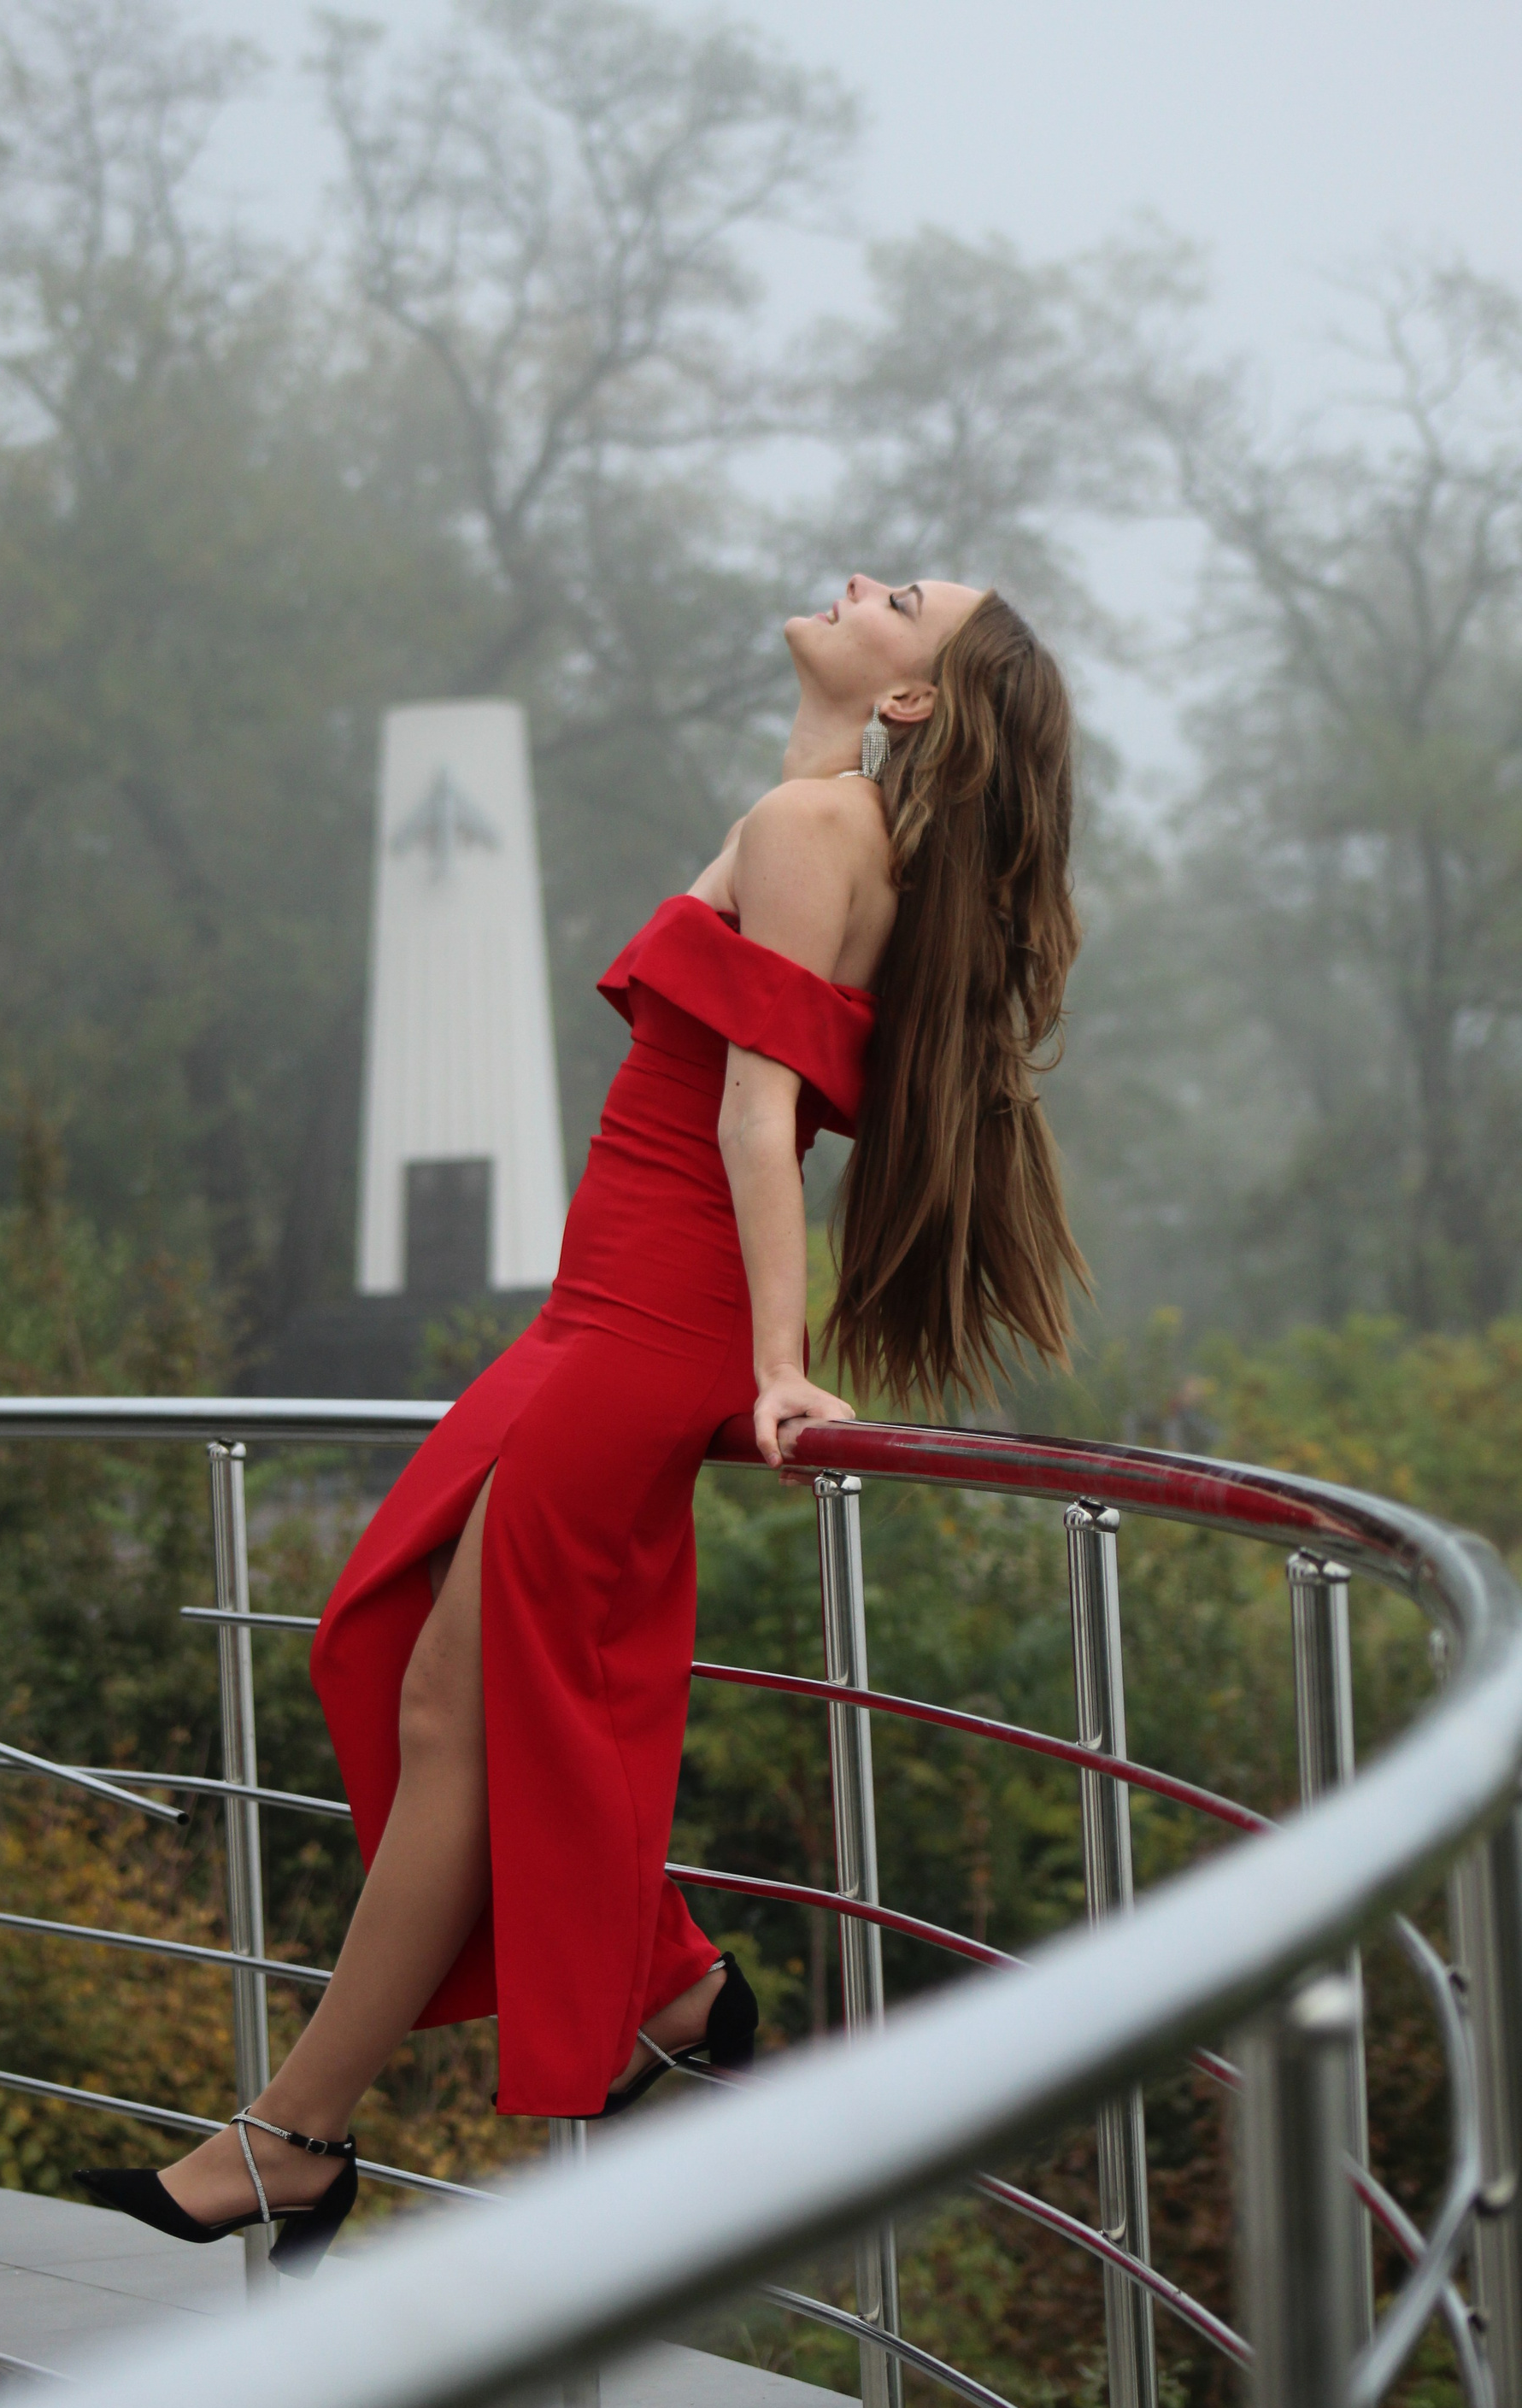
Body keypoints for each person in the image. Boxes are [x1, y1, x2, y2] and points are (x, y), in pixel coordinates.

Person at [78, 574, 1087, 2274]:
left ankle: (294, 2139)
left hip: (645, 1324)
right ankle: (670, 1983)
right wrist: (821, 743)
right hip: (597, 1312)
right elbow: (744, 1006)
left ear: (914, 700)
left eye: (899, 598)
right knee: (401, 1655)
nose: (860, 582)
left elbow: (758, 1115)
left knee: (460, 1710)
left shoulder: (814, 827)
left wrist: (777, 1360)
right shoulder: (824, 817)